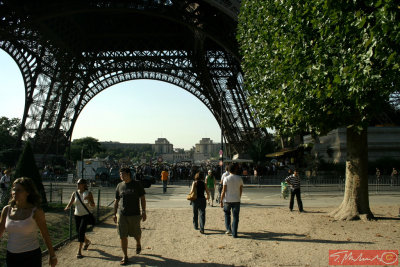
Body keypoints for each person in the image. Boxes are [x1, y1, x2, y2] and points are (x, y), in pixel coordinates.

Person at [0, 177, 57, 267]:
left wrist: (52, 255)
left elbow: (45, 233)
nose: (15, 192)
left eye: (19, 190)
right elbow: (0, 231)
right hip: (11, 255)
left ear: (27, 192)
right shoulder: (6, 210)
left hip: (31, 256)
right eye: (14, 189)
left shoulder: (36, 211)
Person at [113, 167, 146, 265]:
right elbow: (116, 201)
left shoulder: (137, 184)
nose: (121, 176)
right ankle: (125, 256)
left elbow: (142, 198)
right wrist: (114, 214)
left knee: (136, 234)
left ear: (129, 174)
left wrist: (143, 211)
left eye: (123, 174)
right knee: (122, 236)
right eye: (120, 175)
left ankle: (138, 243)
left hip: (135, 214)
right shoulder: (119, 186)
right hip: (122, 214)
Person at [64, 178, 95, 258]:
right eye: (77, 183)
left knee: (81, 231)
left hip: (85, 215)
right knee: (79, 231)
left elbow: (93, 205)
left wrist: (89, 200)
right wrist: (67, 207)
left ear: (84, 185)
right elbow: (71, 202)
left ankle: (79, 251)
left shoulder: (88, 193)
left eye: (79, 183)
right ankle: (87, 241)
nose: (77, 185)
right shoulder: (75, 193)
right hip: (77, 215)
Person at [220, 163, 243, 238]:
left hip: (227, 200)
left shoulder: (226, 178)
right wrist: (239, 197)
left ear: (228, 170)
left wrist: (221, 200)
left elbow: (223, 191)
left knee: (227, 215)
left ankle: (228, 228)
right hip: (236, 199)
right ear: (236, 169)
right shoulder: (239, 178)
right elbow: (240, 190)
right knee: (236, 217)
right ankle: (234, 233)